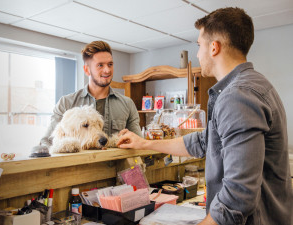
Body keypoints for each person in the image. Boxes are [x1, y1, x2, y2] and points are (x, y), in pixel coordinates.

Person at [118, 7, 292, 225]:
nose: (198, 54)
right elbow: (202, 141)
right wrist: (143, 144)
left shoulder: (238, 96)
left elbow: (238, 196)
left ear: (214, 47)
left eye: (199, 45)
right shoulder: (254, 85)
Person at [38, 40, 142, 150]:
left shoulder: (127, 104)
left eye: (110, 64)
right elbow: (46, 143)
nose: (107, 70)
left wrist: (132, 139)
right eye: (100, 65)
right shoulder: (66, 103)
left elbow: (140, 144)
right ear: (87, 70)